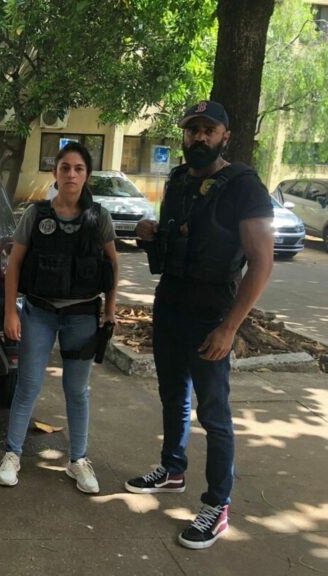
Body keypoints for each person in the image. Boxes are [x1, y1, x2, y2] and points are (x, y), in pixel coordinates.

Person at [125, 101, 274, 550]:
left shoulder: (244, 186)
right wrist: (152, 233)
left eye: (209, 130)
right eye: (193, 130)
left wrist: (229, 328)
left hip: (213, 311)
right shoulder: (178, 181)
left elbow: (262, 263)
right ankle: (173, 469)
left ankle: (217, 505)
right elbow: (177, 238)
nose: (199, 137)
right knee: (172, 394)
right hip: (171, 302)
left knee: (213, 412)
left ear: (225, 136)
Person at [0, 141, 119, 493]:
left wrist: (109, 311)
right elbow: (14, 265)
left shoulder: (99, 218)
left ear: (87, 175)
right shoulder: (36, 215)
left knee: (77, 390)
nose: (71, 175)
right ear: (55, 173)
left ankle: (77, 459)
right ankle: (12, 453)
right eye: (65, 168)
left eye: (78, 169)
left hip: (82, 316)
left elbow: (112, 266)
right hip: (39, 312)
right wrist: (10, 312)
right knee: (28, 386)